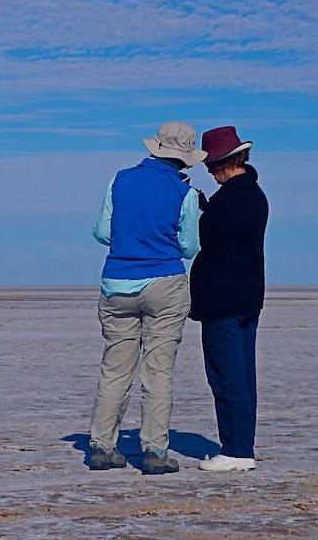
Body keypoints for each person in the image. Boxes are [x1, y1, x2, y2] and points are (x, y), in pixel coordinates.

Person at [88, 121, 206, 475]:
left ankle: (100, 446)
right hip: (165, 285)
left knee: (115, 369)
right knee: (158, 371)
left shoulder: (119, 180)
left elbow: (101, 232)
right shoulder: (185, 193)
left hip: (117, 283)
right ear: (185, 158)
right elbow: (189, 247)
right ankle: (155, 451)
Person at [189, 126, 269, 472]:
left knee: (227, 376)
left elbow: (207, 239)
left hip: (223, 300)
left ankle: (236, 450)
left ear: (225, 162)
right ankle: (241, 447)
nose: (208, 170)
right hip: (248, 298)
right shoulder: (255, 195)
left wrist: (199, 209)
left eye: (211, 164)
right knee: (243, 375)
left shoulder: (229, 200)